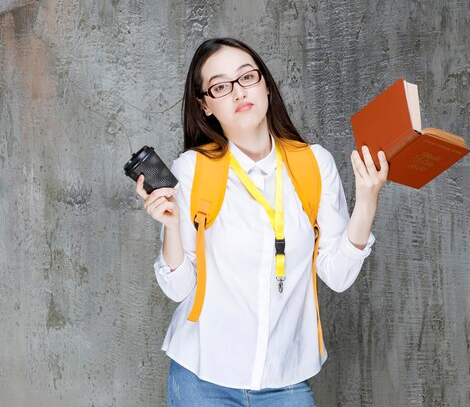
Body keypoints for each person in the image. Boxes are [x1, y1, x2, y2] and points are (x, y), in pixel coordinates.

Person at [135, 37, 388, 407]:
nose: (239, 92)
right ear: (205, 105)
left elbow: (338, 275)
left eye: (247, 77)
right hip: (201, 380)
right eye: (221, 86)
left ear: (265, 84)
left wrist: (367, 199)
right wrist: (172, 227)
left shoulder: (314, 164)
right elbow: (178, 289)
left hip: (285, 381)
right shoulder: (192, 170)